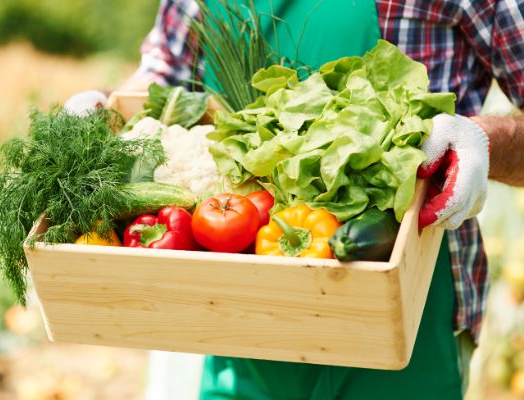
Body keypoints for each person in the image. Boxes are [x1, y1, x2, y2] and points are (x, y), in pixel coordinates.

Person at [65, 1, 524, 398]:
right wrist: (103, 106)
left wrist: (486, 140)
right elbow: (164, 77)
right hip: (234, 324)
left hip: (409, 316)